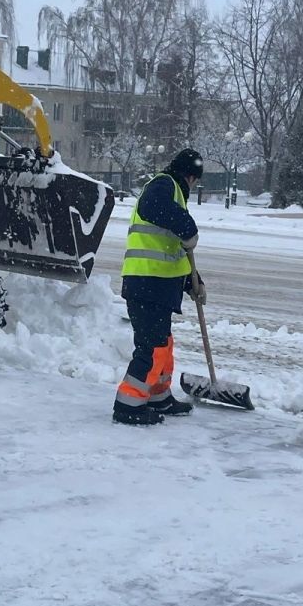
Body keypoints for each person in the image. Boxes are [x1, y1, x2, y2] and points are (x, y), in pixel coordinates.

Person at [113, 148, 205, 426]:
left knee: (162, 344)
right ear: (191, 176)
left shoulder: (173, 193)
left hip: (158, 285)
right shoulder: (163, 185)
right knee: (151, 347)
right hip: (147, 282)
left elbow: (173, 250)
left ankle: (158, 396)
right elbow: (152, 207)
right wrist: (188, 227)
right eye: (196, 180)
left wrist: (193, 281)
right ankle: (128, 405)